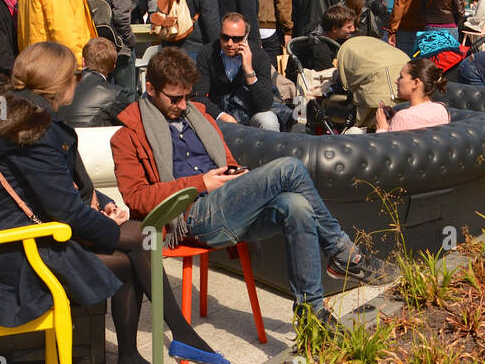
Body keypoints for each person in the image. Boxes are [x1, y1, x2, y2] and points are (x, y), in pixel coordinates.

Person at [0, 42, 227, 364]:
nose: (78, 80)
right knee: (138, 241)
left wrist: (100, 203)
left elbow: (53, 189)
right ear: (61, 84)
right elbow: (65, 210)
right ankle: (173, 336)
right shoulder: (37, 131)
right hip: (12, 262)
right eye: (74, 75)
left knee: (132, 244)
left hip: (2, 248)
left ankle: (152, 348)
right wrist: (105, 221)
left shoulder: (12, 116)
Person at [111, 48, 394, 328]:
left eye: (187, 96)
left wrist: (237, 175)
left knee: (297, 207)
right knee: (290, 167)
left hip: (227, 204)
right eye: (175, 98)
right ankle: (342, 252)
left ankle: (312, 313)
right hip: (190, 217)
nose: (184, 105)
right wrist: (200, 183)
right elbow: (136, 199)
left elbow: (227, 161)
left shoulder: (199, 117)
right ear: (150, 89)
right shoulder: (128, 135)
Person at [193, 13, 280, 131]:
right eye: (225, 37)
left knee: (269, 121)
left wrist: (249, 71)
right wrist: (222, 116)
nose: (229, 43)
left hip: (250, 111)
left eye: (236, 39)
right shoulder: (207, 53)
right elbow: (198, 96)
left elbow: (265, 104)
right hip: (218, 112)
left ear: (246, 37)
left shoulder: (259, 56)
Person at [58, 37, 135, 127]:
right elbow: (133, 124)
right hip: (95, 140)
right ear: (113, 67)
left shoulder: (59, 85)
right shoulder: (115, 94)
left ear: (83, 61)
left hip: (60, 138)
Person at [375, 60, 450, 132]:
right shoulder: (442, 108)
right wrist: (394, 119)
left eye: (401, 77)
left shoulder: (403, 117)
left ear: (415, 83)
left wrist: (382, 128)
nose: (396, 81)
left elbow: (388, 144)